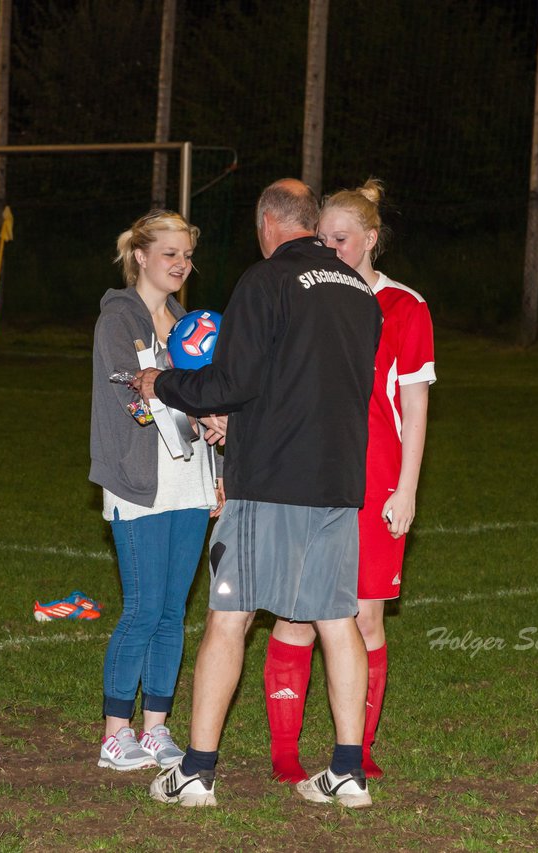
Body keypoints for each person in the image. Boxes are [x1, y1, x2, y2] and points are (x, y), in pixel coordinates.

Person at [136, 179, 382, 808]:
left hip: (270, 481)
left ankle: (195, 770)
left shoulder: (266, 280)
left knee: (229, 617)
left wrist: (160, 383)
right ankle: (348, 769)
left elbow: (231, 381)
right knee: (336, 618)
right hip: (337, 482)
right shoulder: (359, 290)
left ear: (269, 223)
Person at [265, 179, 435, 784]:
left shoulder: (406, 307)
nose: (330, 249)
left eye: (341, 239)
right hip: (308, 472)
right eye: (322, 239)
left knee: (365, 619)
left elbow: (413, 411)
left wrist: (406, 488)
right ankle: (286, 753)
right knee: (296, 614)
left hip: (375, 480)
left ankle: (355, 751)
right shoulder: (302, 293)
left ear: (370, 239)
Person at [90, 211, 224, 772]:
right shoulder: (117, 322)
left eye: (187, 255)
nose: (181, 264)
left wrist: (217, 466)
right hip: (138, 482)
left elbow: (209, 393)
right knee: (142, 609)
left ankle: (155, 730)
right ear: (141, 256)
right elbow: (136, 401)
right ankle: (114, 734)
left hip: (190, 482)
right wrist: (197, 404)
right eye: (170, 253)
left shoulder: (191, 323)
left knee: (173, 611)